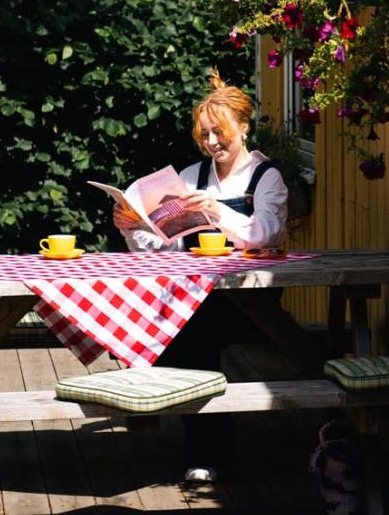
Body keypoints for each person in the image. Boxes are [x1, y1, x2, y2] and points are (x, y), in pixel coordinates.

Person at [111, 70, 289, 482]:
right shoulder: (190, 178)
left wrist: (215, 210)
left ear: (244, 127)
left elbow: (266, 232)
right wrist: (131, 225)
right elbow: (168, 246)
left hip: (251, 296)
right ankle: (205, 449)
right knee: (172, 329)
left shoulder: (267, 178)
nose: (211, 143)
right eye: (204, 135)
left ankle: (201, 449)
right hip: (194, 294)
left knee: (189, 337)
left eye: (219, 132)